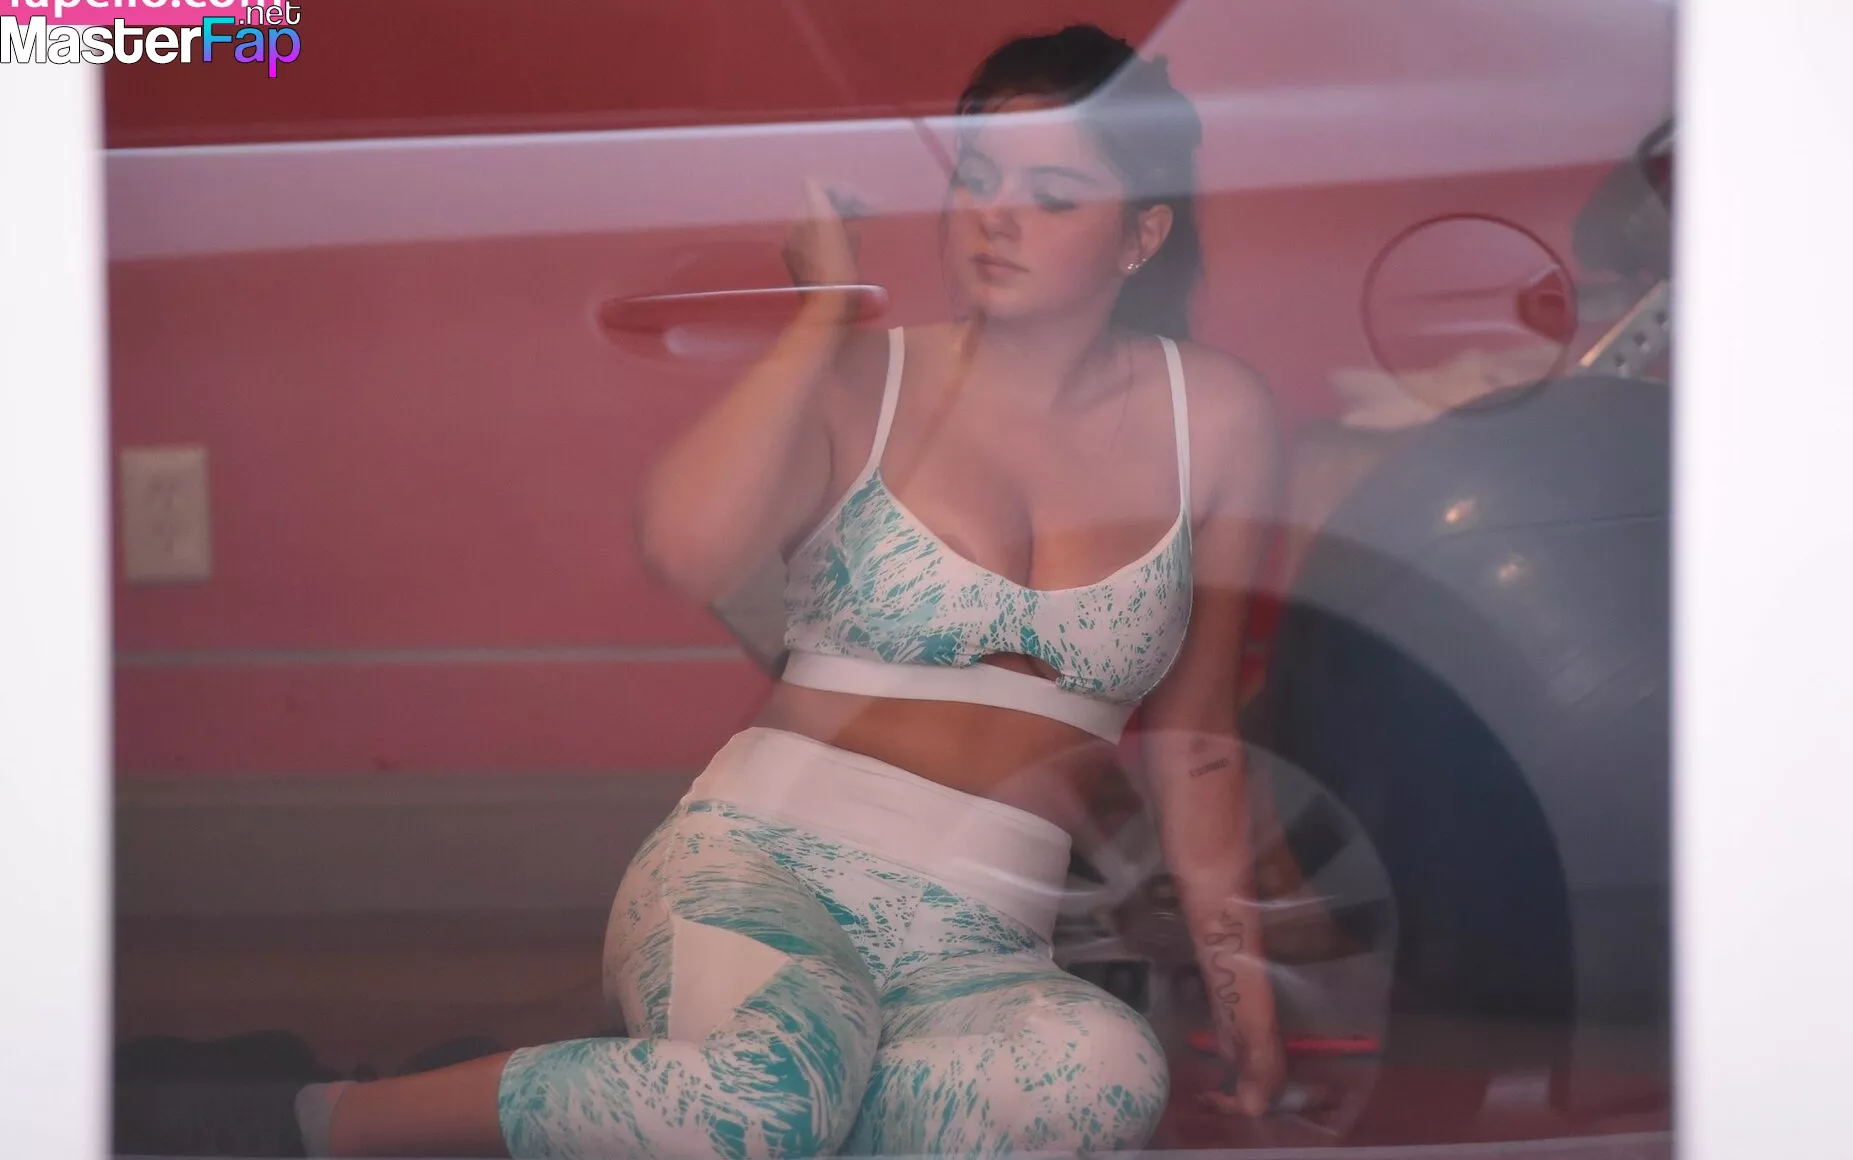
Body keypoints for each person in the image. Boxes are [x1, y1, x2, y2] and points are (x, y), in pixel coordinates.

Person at [123, 23, 1301, 1159]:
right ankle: (318, 1122)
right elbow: (684, 540)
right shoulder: (868, 375)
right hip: (759, 871)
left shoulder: (1218, 420)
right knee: (777, 1093)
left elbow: (1197, 739)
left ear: (1141, 235)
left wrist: (1241, 979)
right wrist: (820, 316)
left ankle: (630, 1109)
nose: (997, 217)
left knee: (1104, 1074)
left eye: (1054, 196)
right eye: (980, 177)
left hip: (980, 945)